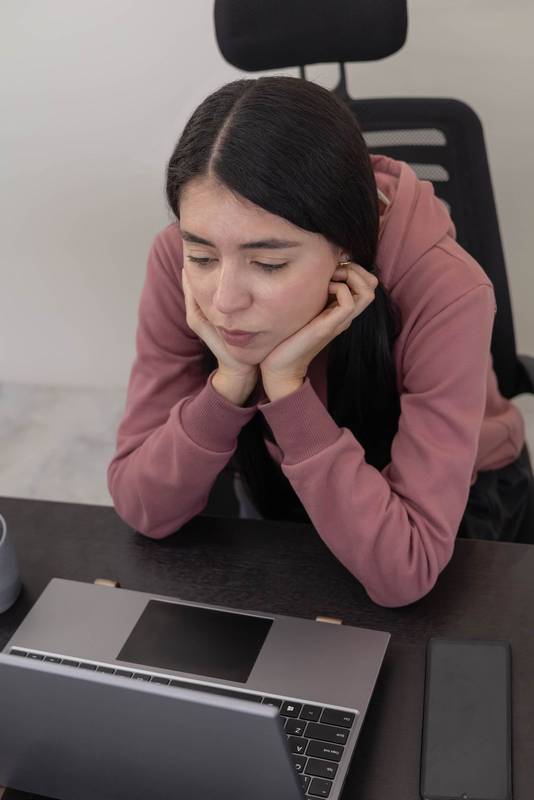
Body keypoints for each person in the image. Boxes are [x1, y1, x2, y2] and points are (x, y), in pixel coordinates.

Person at [107, 76, 532, 608]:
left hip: (460, 499)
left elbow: (406, 568)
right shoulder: (175, 260)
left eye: (269, 263)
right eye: (202, 256)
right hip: (285, 476)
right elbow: (142, 507)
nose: (225, 301)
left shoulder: (447, 289)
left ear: (346, 248)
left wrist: (287, 390)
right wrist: (231, 379)